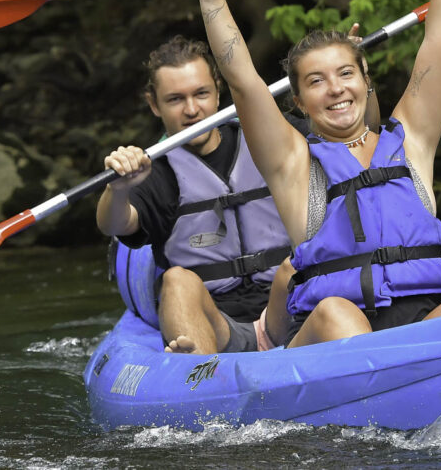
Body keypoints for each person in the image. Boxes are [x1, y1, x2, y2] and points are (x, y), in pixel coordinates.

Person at [175, 0, 441, 349]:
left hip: (423, 316)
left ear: (366, 81)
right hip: (335, 333)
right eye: (316, 81)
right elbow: (242, 79)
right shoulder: (293, 163)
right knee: (338, 314)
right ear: (299, 102)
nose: (336, 90)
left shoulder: (412, 139)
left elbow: (440, 38)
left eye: (346, 74)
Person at [97, 34, 377, 354]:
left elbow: (350, 134)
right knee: (176, 280)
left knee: (299, 262)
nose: (192, 110)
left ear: (218, 91)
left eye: (201, 94)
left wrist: (350, 70)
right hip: (216, 323)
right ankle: (201, 377)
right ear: (154, 104)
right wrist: (117, 190)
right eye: (175, 99)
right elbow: (116, 224)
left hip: (287, 311)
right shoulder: (154, 170)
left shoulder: (270, 138)